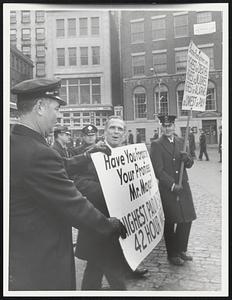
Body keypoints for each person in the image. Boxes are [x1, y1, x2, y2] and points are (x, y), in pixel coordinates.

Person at [9, 78, 126, 291]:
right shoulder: (39, 153)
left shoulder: (15, 142)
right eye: (56, 108)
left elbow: (58, 166)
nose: (59, 116)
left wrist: (87, 156)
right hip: (41, 261)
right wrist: (109, 225)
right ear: (40, 107)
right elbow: (74, 205)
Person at [74, 116, 148, 290]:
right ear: (105, 131)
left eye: (120, 129)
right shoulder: (93, 152)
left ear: (124, 134)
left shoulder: (129, 156)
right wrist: (110, 191)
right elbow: (80, 183)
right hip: (98, 222)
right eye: (112, 128)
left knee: (99, 269)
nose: (116, 132)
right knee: (103, 271)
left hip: (119, 225)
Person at [150, 114, 196, 266]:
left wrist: (187, 159)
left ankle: (182, 249)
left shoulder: (181, 141)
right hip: (168, 188)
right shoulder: (156, 144)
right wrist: (171, 185)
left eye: (170, 126)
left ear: (174, 126)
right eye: (165, 126)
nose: (167, 128)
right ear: (161, 127)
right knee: (171, 221)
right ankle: (172, 253)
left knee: (186, 218)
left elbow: (189, 164)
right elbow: (158, 170)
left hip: (183, 186)